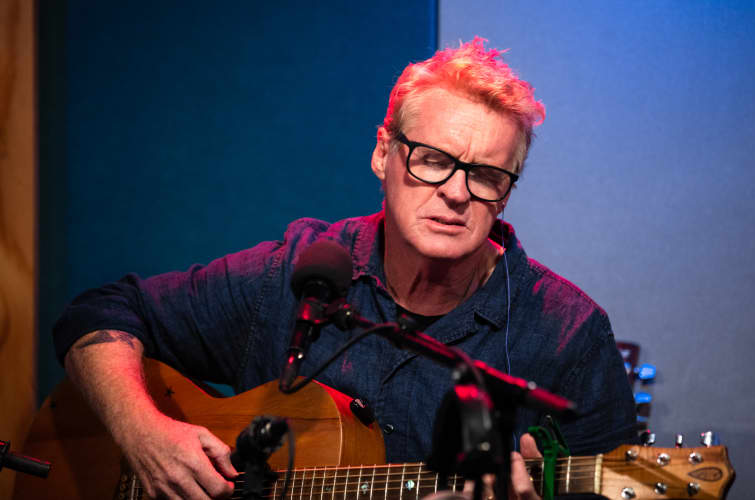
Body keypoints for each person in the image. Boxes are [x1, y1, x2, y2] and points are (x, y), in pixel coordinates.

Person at [54, 38, 636, 499]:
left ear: (505, 194)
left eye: (485, 174)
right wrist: (142, 432)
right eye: (434, 160)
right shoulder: (295, 272)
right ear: (384, 153)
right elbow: (96, 314)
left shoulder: (568, 335)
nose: (457, 193)